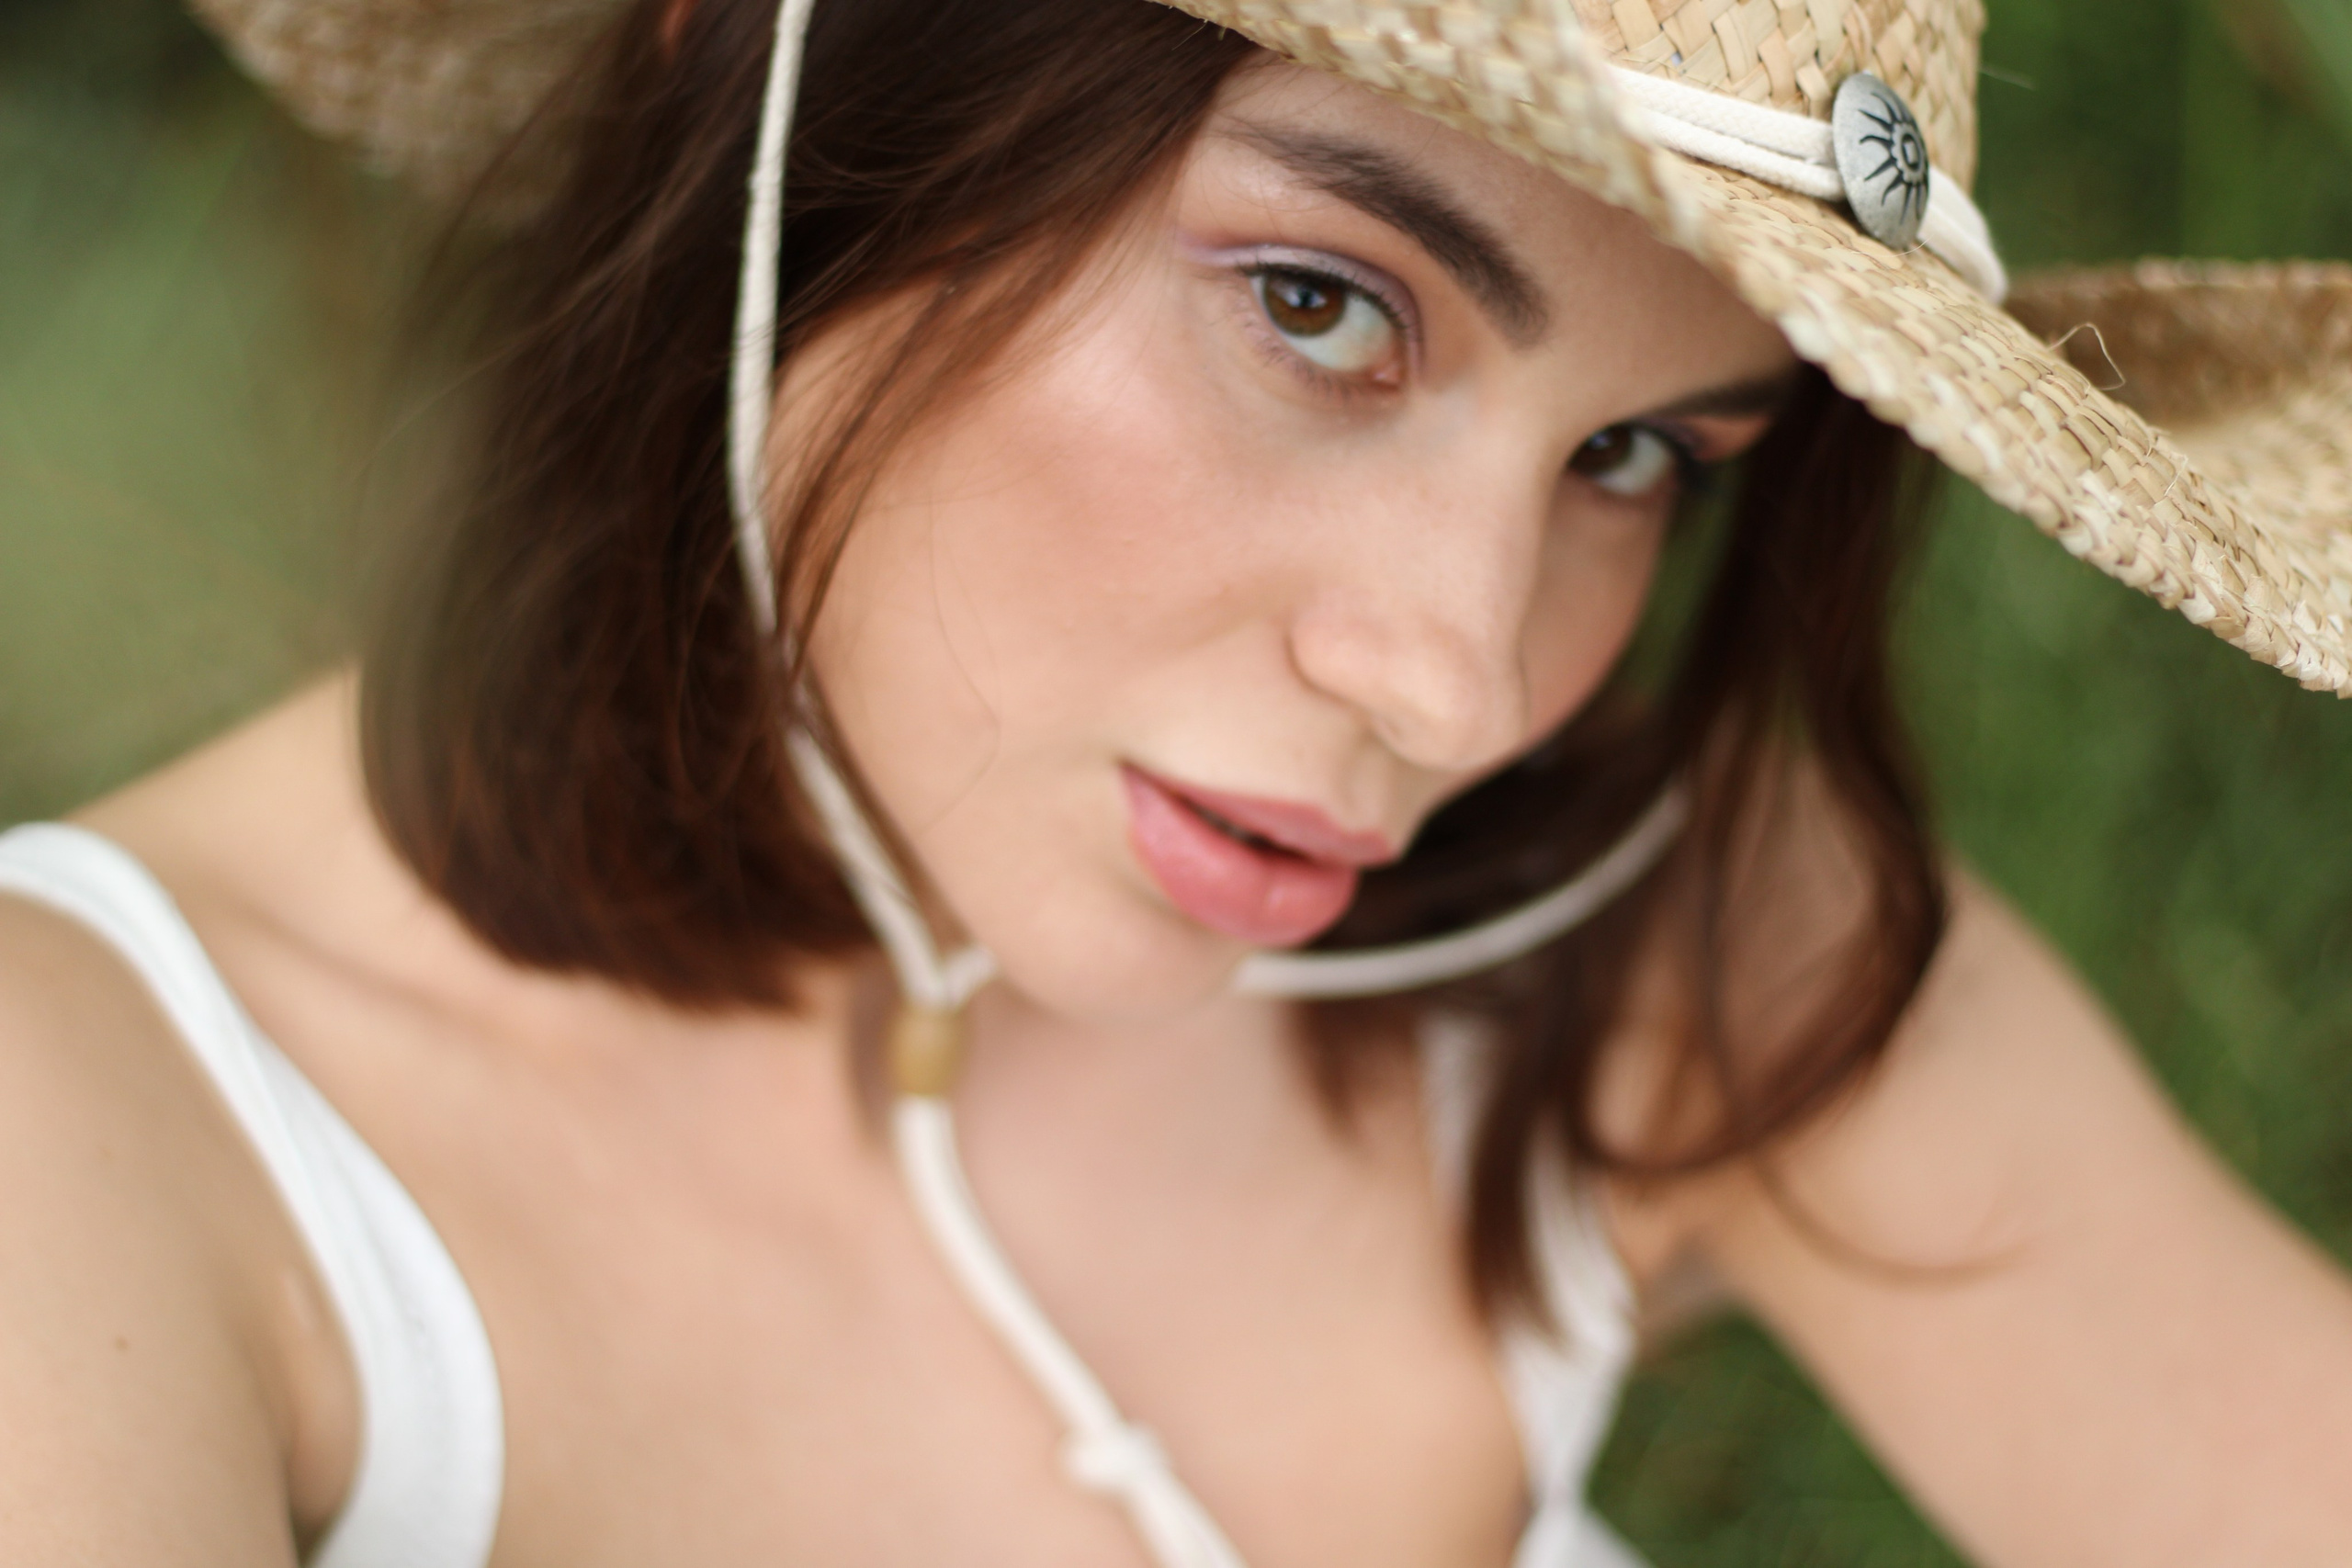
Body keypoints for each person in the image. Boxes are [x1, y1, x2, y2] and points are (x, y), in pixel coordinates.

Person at [3, 0, 2349, 1563]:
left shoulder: (1672, 935)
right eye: (1318, 303)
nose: (1453, 682)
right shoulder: (95, 1144)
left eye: (1638, 455)